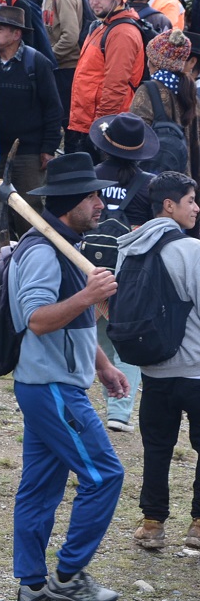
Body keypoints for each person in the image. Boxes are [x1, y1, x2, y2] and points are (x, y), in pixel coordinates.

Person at [7, 153, 127, 601]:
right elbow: (37, 319)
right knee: (105, 475)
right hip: (51, 387)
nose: (101, 203)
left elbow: (72, 324)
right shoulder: (41, 252)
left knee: (40, 489)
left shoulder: (66, 244)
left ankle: (33, 585)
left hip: (54, 384)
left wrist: (103, 365)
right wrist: (89, 295)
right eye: (93, 196)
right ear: (70, 200)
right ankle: (68, 577)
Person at [118, 171, 200, 551]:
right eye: (190, 200)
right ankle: (198, 525)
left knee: (157, 448)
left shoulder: (129, 248)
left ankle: (152, 524)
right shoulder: (192, 251)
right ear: (169, 205)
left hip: (153, 369)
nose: (196, 208)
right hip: (196, 370)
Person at [0, 6, 63, 236]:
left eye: (0, 29)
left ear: (17, 34)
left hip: (29, 153)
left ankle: (32, 260)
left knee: (29, 212)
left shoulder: (37, 63)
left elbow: (53, 109)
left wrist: (48, 148)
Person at [69, 0, 145, 153]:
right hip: (88, 122)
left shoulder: (122, 32)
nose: (94, 2)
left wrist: (101, 127)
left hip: (104, 127)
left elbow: (115, 85)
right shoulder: (104, 25)